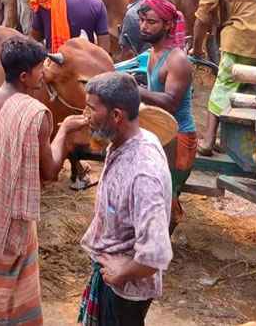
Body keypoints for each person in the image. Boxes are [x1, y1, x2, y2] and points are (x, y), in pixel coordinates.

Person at [0, 37, 84, 325]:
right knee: (17, 287)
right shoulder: (35, 115)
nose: (43, 73)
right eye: (39, 69)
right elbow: (49, 171)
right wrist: (64, 132)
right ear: (24, 76)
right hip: (16, 216)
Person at [75, 73, 174, 326]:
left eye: (91, 109)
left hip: (125, 290)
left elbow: (155, 253)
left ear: (116, 116)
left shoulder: (143, 174)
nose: (86, 116)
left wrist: (122, 272)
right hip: (114, 277)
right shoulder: (126, 141)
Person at [190, 0, 256, 155]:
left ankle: (209, 141)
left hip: (238, 39)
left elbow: (202, 17)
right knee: (250, 89)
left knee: (223, 86)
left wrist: (196, 48)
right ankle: (234, 142)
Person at [130, 0, 195, 223]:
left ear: (168, 25)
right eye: (141, 20)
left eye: (151, 22)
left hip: (178, 138)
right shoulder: (152, 54)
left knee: (166, 196)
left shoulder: (177, 61)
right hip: (160, 132)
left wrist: (134, 90)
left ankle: (160, 247)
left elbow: (170, 102)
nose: (143, 27)